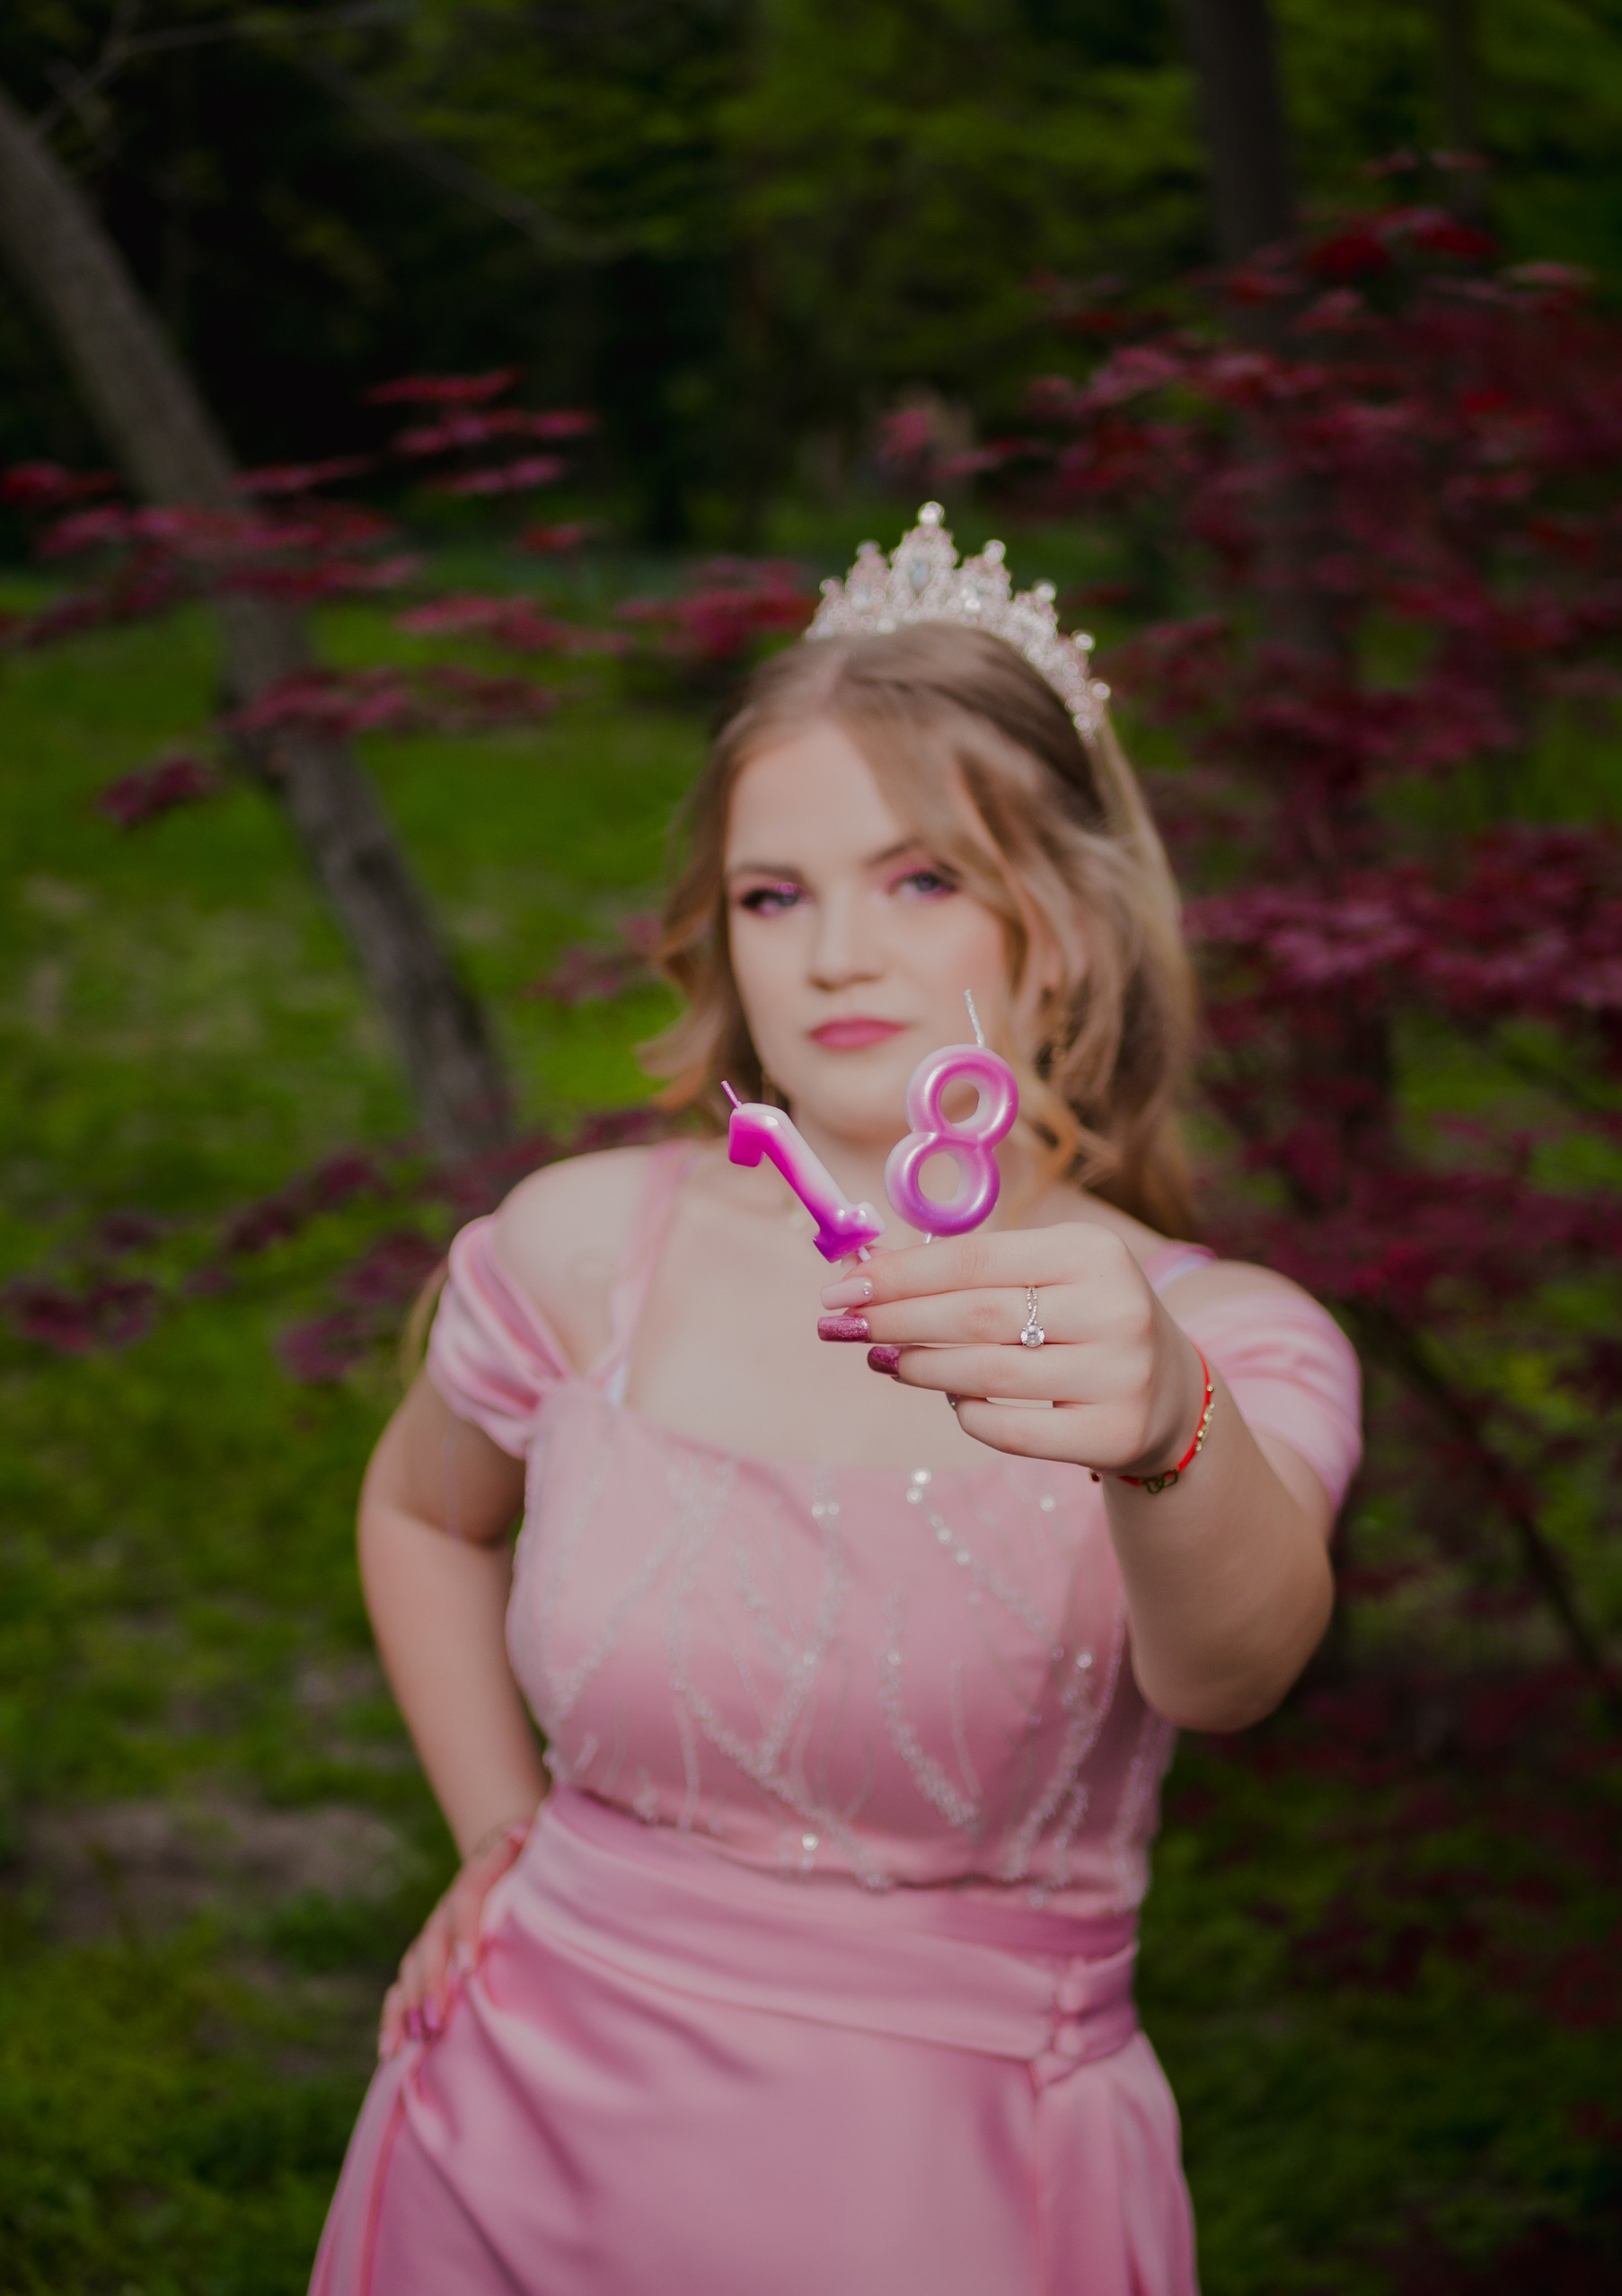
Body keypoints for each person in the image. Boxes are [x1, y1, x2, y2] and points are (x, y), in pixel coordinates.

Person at [310, 507, 1361, 2296]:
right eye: (773, 893)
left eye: (921, 878)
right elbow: (421, 1511)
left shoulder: (1219, 1334)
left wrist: (1167, 1424)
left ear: (1068, 921)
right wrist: (500, 1830)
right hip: (500, 2142)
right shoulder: (586, 1247)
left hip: (953, 2193)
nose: (836, 953)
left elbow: (1235, 1669)